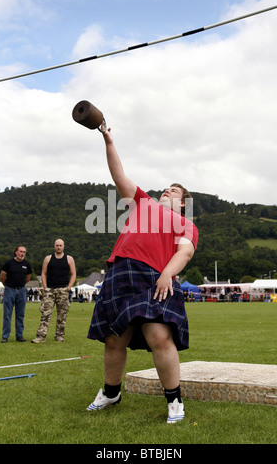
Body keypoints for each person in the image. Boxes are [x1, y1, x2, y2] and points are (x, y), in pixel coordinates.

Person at [86, 125, 198, 424]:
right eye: (166, 188)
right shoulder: (143, 204)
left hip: (154, 277)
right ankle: (111, 392)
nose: (166, 191)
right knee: (113, 339)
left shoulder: (185, 224)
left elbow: (184, 252)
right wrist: (108, 141)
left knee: (159, 336)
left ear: (183, 203)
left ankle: (174, 400)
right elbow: (118, 175)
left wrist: (166, 274)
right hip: (120, 272)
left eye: (174, 191)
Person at [32, 239, 76, 343]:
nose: (58, 247)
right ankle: (41, 336)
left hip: (63, 290)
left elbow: (73, 274)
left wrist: (68, 288)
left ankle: (59, 336)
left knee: (62, 314)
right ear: (54, 246)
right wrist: (45, 287)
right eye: (57, 245)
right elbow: (43, 274)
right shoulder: (48, 258)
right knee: (45, 313)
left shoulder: (69, 259)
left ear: (63, 246)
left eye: (60, 245)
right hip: (50, 290)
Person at [0, 246, 32, 343]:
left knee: (20, 314)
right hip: (10, 290)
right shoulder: (9, 263)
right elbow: (2, 276)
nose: (22, 254)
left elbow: (28, 278)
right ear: (16, 252)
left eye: (24, 252)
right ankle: (5, 336)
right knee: (7, 314)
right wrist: (8, 286)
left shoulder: (26, 264)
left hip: (21, 291)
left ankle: (19, 336)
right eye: (20, 251)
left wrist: (20, 286)